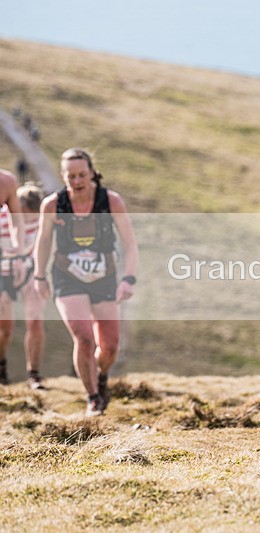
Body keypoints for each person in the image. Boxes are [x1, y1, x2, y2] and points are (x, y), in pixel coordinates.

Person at [33, 148, 138, 416]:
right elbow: (43, 242)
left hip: (105, 277)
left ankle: (101, 376)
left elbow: (130, 243)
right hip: (67, 277)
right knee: (84, 337)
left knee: (110, 346)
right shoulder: (53, 205)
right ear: (63, 176)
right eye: (71, 177)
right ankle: (92, 398)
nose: (77, 181)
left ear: (92, 172)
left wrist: (128, 278)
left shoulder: (110, 201)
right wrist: (39, 275)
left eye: (81, 175)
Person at [0, 184, 47, 390]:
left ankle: (34, 374)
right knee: (5, 330)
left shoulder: (43, 220)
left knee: (35, 321)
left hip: (30, 272)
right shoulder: (3, 217)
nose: (29, 218)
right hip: (3, 273)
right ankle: (2, 367)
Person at [0, 169, 28, 386]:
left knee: (6, 328)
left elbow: (16, 220)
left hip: (4, 260)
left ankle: (1, 363)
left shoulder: (7, 181)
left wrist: (18, 251)